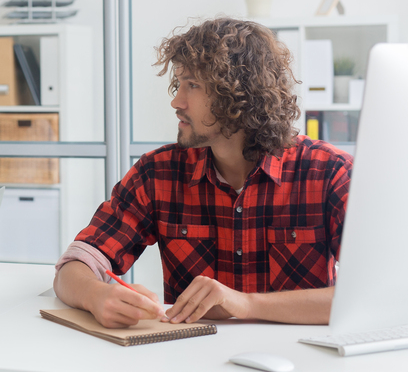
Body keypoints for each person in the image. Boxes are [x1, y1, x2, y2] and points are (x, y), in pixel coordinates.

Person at [54, 17, 352, 329]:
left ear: (241, 94)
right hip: (187, 363)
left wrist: (246, 303)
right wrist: (96, 295)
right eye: (179, 83)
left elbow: (377, 295)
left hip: (299, 366)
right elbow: (74, 265)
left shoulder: (329, 173)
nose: (176, 101)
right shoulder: (157, 172)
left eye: (193, 85)